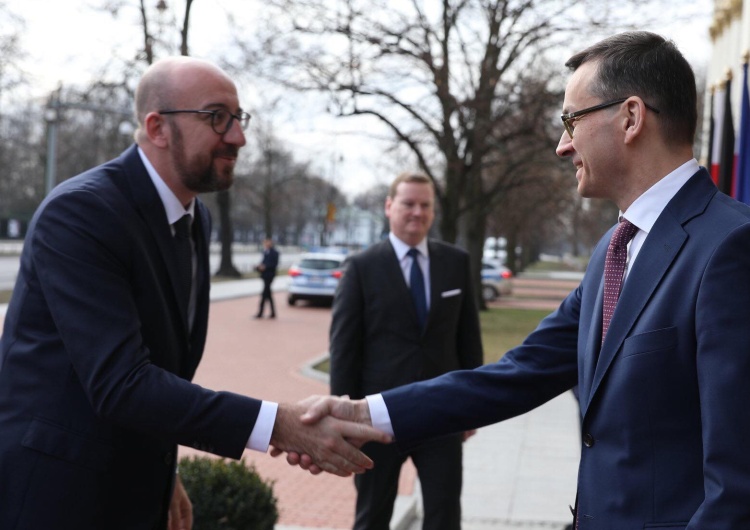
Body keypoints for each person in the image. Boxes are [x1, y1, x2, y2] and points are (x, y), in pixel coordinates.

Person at [295, 31, 750, 528]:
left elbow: (736, 485)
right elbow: (518, 373)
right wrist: (362, 414)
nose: (562, 146)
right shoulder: (612, 251)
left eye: (571, 120)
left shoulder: (730, 248)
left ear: (631, 117)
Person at [0, 56, 389, 530]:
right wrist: (282, 426)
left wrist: (166, 473)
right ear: (157, 127)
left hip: (134, 489)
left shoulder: (193, 217)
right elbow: (122, 384)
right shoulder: (82, 213)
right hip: (56, 497)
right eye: (216, 117)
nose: (238, 138)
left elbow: (163, 370)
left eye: (239, 118)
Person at [329, 172, 483, 530]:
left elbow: (468, 339)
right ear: (389, 207)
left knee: (444, 517)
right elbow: (344, 349)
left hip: (441, 413)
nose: (417, 212)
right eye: (408, 203)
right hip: (376, 418)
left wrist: (475, 405)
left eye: (425, 205)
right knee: (372, 517)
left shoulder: (455, 263)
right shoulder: (361, 267)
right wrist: (343, 415)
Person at [255, 237, 279, 318]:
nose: (266, 244)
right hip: (264, 276)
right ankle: (273, 313)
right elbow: (263, 262)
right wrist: (259, 267)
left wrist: (265, 267)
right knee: (268, 295)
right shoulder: (265, 252)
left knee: (264, 294)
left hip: (270, 276)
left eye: (267, 242)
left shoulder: (275, 253)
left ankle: (260, 313)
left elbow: (274, 264)